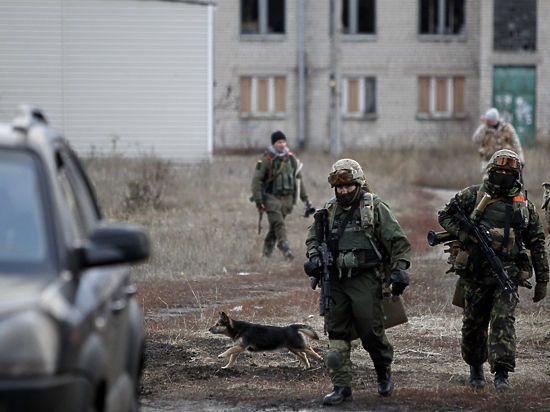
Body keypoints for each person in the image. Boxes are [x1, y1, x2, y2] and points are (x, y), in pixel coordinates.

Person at [438, 149, 548, 391]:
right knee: (473, 323)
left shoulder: (524, 205)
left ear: (516, 175)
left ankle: (501, 373)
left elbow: (537, 243)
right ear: (491, 171)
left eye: (509, 172)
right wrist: (466, 235)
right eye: (499, 171)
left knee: (503, 322)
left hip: (506, 273)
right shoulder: (473, 194)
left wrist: (543, 279)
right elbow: (444, 215)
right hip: (475, 272)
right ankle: (475, 367)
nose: (504, 175)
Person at [304, 159, 411, 405]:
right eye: (339, 187)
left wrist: (400, 269)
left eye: (348, 187)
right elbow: (312, 239)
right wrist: (313, 258)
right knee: (336, 335)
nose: (343, 191)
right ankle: (342, 387)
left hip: (366, 279)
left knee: (371, 332)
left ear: (358, 183)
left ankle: (383, 371)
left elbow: (398, 241)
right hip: (336, 281)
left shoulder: (373, 207)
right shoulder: (328, 211)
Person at [251, 130, 310, 260]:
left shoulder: (291, 158)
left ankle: (266, 253)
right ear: (274, 143)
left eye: (283, 141)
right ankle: (285, 247)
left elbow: (298, 180)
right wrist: (259, 200)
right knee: (279, 223)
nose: (282, 144)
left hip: (287, 200)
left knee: (275, 226)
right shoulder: (266, 159)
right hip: (271, 198)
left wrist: (305, 199)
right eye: (279, 142)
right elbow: (256, 180)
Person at [472, 108, 524, 174]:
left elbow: (516, 144)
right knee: (488, 182)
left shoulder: (507, 128)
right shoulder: (484, 129)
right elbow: (476, 139)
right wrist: (484, 126)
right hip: (488, 162)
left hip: (507, 163)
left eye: (489, 120)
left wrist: (521, 160)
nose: (488, 122)